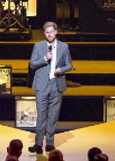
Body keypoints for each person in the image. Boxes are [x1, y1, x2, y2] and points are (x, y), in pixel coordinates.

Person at [28, 21, 73, 154]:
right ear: (44, 33)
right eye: (47, 33)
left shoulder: (64, 47)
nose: (49, 35)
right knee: (41, 114)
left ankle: (49, 144)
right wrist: (44, 58)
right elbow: (32, 64)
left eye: (51, 32)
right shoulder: (38, 46)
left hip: (57, 84)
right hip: (42, 85)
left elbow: (69, 65)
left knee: (53, 115)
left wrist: (61, 69)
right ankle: (38, 144)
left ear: (56, 32)